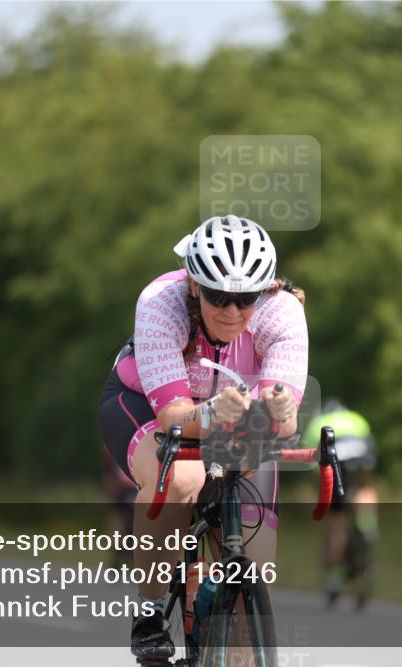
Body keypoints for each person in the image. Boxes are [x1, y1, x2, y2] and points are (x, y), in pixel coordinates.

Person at [97, 215, 308, 661]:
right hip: (144, 407)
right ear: (195, 286)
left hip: (235, 422)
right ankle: (150, 612)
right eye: (218, 297)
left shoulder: (283, 311)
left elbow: (281, 419)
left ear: (264, 290)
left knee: (256, 575)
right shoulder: (161, 302)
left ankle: (220, 605)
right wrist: (212, 412)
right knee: (183, 478)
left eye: (245, 298)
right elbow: (174, 416)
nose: (232, 312)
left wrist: (278, 410)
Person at [303, 399, 379, 611]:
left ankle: (334, 576)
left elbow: (315, 468)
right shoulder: (356, 418)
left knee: (336, 518)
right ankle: (368, 524)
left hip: (337, 460)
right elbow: (371, 447)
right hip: (362, 455)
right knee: (365, 487)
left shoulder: (318, 422)